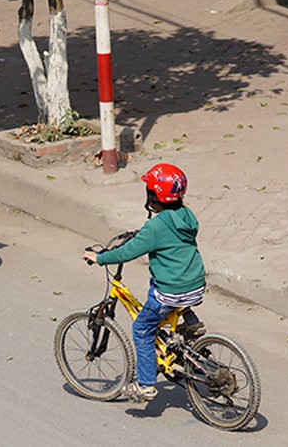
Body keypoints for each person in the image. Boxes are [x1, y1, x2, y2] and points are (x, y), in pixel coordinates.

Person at [83, 163, 206, 403]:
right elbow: (167, 236)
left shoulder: (155, 226)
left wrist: (99, 258)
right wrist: (146, 232)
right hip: (196, 285)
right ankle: (191, 323)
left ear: (154, 196)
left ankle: (146, 384)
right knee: (164, 279)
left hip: (171, 292)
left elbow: (126, 253)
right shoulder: (187, 216)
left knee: (142, 329)